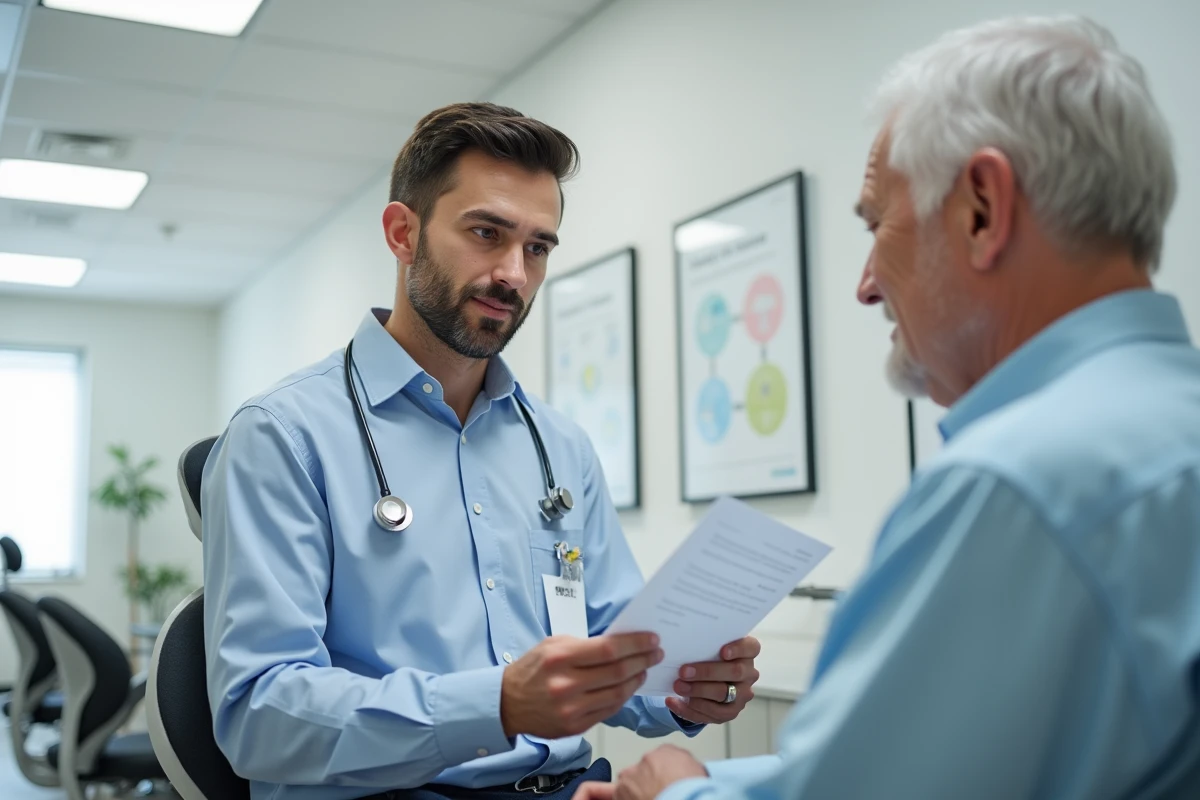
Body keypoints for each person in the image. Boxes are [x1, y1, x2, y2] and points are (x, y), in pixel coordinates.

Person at [575, 15, 1200, 800]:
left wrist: (670, 791)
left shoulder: (1019, 487)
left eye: (879, 226)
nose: (866, 284)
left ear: (982, 207)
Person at [201, 102, 762, 800]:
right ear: (403, 234)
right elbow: (259, 710)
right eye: (486, 233)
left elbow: (612, 652)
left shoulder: (558, 447)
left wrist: (684, 687)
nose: (514, 275)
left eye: (537, 247)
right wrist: (495, 705)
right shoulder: (283, 437)